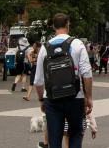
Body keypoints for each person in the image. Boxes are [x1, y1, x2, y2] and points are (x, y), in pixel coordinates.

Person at [34, 13, 94, 148]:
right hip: (75, 97)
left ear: (54, 27)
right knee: (75, 135)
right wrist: (88, 97)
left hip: (52, 98)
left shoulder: (44, 47)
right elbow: (87, 74)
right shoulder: (78, 44)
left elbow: (38, 80)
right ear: (68, 25)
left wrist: (41, 100)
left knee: (54, 138)